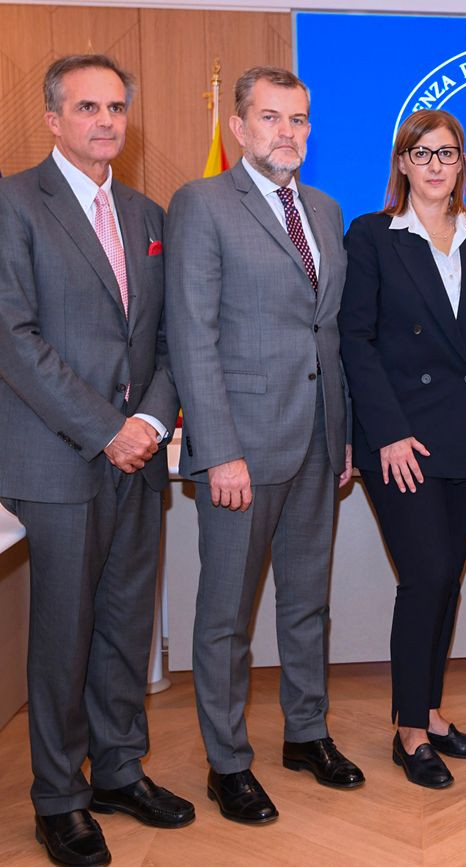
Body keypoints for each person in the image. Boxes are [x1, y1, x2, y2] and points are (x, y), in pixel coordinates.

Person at [0, 54, 193, 865]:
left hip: (140, 454)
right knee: (63, 633)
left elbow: (168, 337)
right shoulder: (6, 203)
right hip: (60, 456)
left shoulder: (144, 211)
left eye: (116, 107)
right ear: (54, 119)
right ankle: (59, 797)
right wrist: (109, 428)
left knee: (126, 627)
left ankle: (120, 770)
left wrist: (151, 421)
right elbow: (14, 340)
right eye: (87, 106)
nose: (106, 120)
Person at [165, 66, 362, 824]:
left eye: (300, 119)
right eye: (272, 118)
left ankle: (306, 733)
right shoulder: (203, 203)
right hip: (241, 446)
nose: (289, 132)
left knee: (308, 604)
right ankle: (227, 762)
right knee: (227, 615)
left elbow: (328, 332)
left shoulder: (325, 206)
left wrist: (340, 432)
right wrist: (219, 449)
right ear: (240, 127)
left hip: (317, 440)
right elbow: (191, 334)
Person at [339, 109, 466, 789]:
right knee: (426, 576)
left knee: (448, 580)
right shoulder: (374, 235)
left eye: (449, 153)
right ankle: (409, 729)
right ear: (402, 163)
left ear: (463, 163)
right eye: (422, 154)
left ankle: (431, 711)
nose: (437, 165)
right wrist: (384, 432)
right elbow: (357, 340)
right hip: (402, 440)